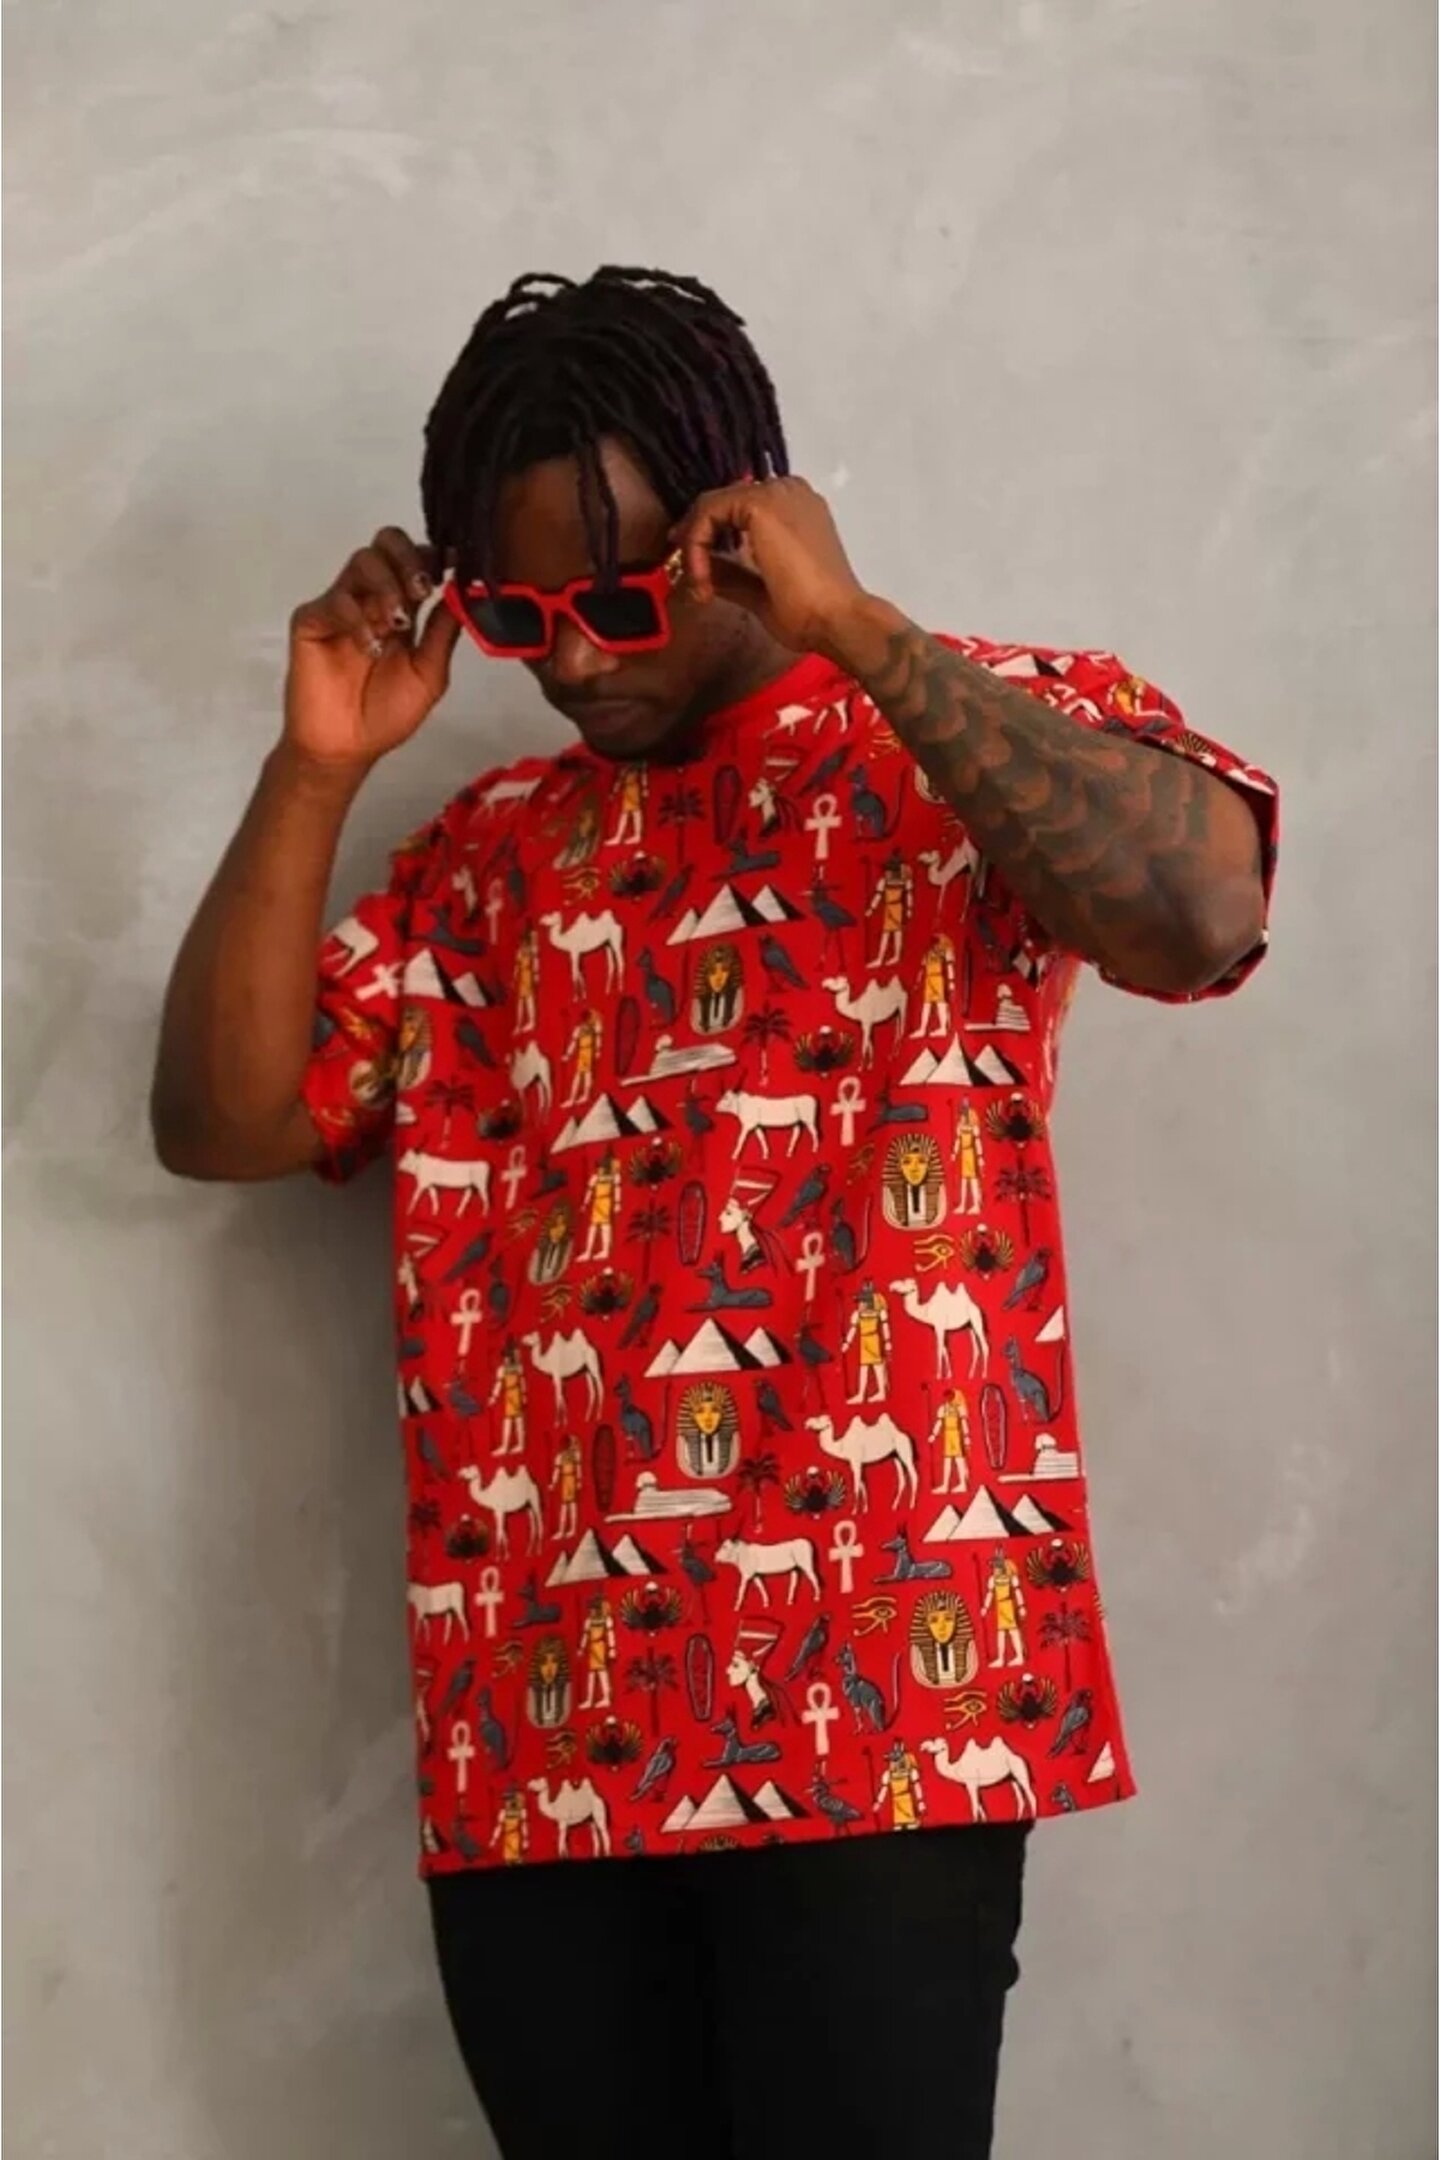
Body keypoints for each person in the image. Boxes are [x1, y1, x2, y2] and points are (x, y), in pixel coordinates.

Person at [151, 265, 1278, 2159]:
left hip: (887, 1718)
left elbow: (1202, 917)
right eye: (518, 619)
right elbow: (225, 1120)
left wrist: (858, 630)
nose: (573, 665)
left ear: (742, 528)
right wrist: (316, 767)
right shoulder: (485, 863)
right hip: (544, 1738)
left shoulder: (972, 739)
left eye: (614, 600)